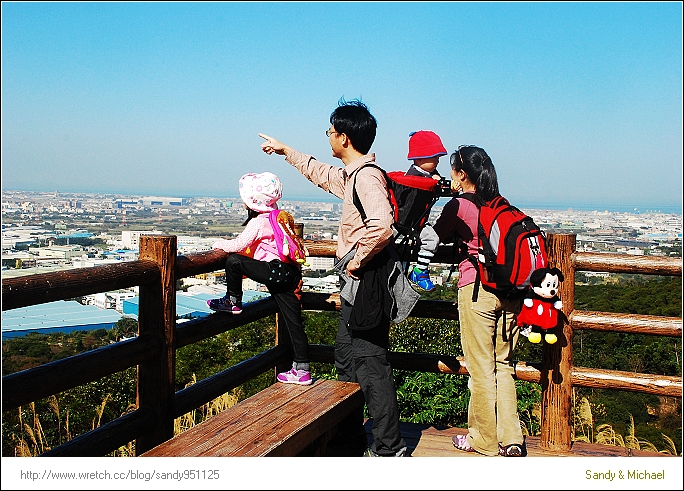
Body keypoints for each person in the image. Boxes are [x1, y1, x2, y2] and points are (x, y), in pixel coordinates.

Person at [259, 98, 409, 457]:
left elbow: (382, 226)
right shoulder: (355, 175)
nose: (328, 137)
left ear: (343, 137)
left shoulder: (367, 178)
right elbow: (322, 173)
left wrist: (357, 260)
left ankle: (389, 448)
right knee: (346, 357)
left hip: (367, 281)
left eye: (330, 131)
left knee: (370, 362)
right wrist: (286, 152)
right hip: (358, 284)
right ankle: (348, 439)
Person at [418, 145, 527, 457]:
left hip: (477, 290)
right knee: (503, 366)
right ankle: (512, 439)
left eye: (453, 169)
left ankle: (482, 439)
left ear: (461, 174)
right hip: (511, 293)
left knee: (480, 370)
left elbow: (431, 235)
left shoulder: (460, 205)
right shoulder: (502, 204)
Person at [208, 172, 312, 386]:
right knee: (294, 323)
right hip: (290, 273)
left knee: (233, 261)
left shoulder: (259, 222)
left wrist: (218, 244)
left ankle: (233, 300)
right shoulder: (280, 216)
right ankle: (302, 369)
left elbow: (237, 247)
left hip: (276, 272)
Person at [404, 130, 448, 292]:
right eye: (434, 156)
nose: (437, 160)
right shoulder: (416, 178)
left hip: (415, 221)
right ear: (421, 156)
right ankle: (420, 271)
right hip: (415, 222)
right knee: (431, 239)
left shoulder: (424, 175)